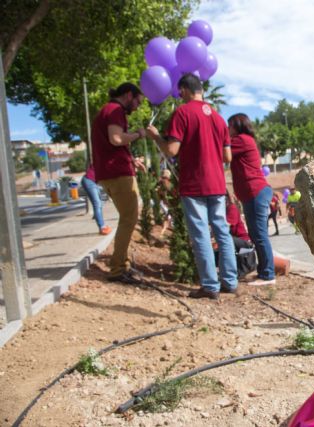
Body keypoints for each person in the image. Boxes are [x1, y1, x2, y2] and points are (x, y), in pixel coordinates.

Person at [147, 73, 237, 300]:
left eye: (180, 93)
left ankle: (210, 286)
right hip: (216, 183)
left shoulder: (183, 113)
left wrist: (157, 137)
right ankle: (230, 282)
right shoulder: (218, 117)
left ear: (184, 90)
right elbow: (228, 156)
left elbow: (171, 150)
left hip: (194, 184)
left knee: (200, 235)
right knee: (222, 232)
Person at [91, 82, 147, 284]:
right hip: (118, 173)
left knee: (127, 218)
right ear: (128, 95)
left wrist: (131, 159)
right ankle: (117, 269)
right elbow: (115, 139)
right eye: (137, 102)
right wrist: (138, 134)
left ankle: (120, 264)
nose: (138, 106)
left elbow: (111, 144)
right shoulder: (115, 110)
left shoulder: (108, 111)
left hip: (111, 172)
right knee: (129, 219)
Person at [227, 113, 276, 286]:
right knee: (257, 235)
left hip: (255, 193)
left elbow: (220, 147)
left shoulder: (241, 140)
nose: (228, 129)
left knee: (260, 235)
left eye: (230, 125)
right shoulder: (243, 140)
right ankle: (265, 271)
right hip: (252, 195)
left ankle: (268, 275)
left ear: (238, 125)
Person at [81, 163, 111, 235]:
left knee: (99, 203)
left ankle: (101, 223)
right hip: (89, 181)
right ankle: (102, 228)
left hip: (92, 181)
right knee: (97, 204)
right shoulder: (103, 160)